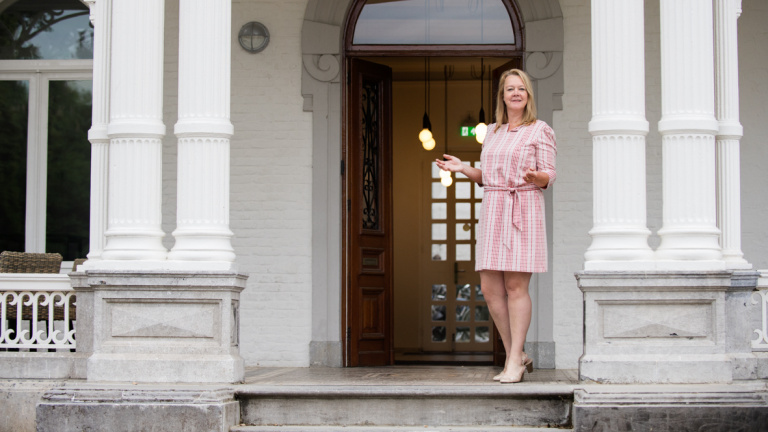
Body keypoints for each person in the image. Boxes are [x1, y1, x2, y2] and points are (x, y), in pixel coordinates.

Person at [436, 69, 556, 384]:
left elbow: (549, 175)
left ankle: (513, 361)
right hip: (493, 209)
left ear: (528, 95)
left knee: (516, 287)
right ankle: (517, 353)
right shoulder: (492, 131)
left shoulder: (539, 130)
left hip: (523, 208)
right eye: (510, 89)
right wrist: (463, 168)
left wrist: (535, 177)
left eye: (522, 89)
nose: (516, 93)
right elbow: (488, 178)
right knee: (490, 289)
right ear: (502, 96)